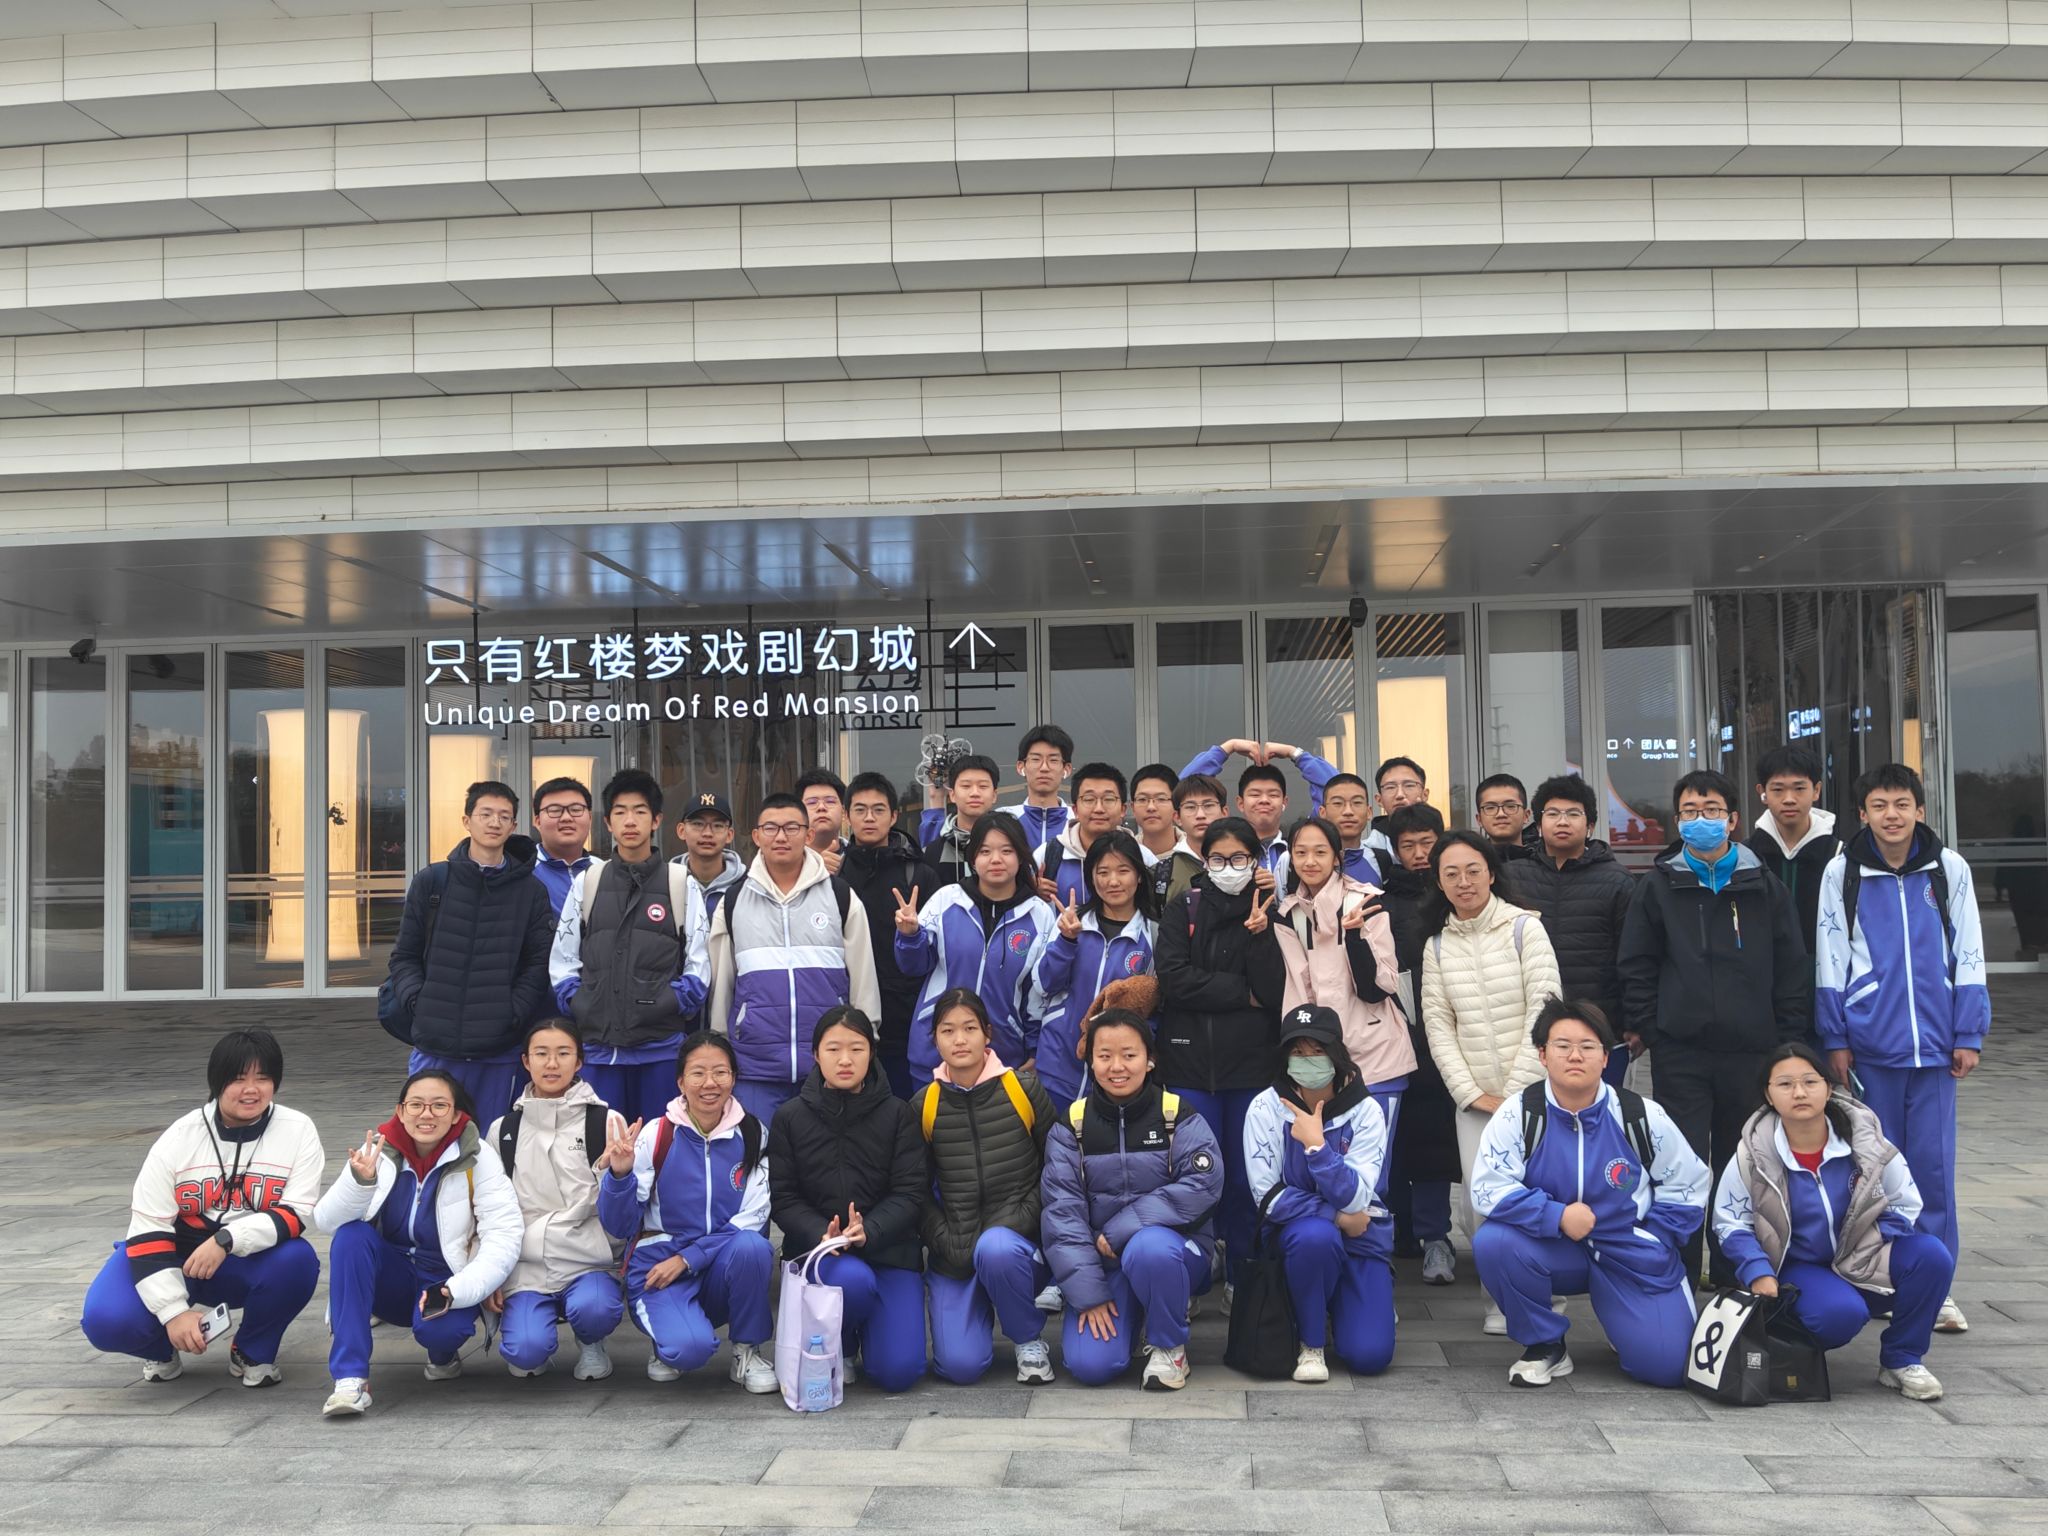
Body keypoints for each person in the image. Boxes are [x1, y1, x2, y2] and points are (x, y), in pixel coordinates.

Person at [1617, 769, 1810, 1286]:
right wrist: (1653, 1028)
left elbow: (1792, 966)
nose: (1700, 820)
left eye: (1711, 811)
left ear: (1732, 820)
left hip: (1751, 1051)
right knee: (1680, 1164)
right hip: (1681, 1051)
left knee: (1738, 1163)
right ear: (1677, 821)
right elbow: (1637, 964)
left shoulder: (1762, 885)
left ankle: (1730, 1276)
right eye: (1689, 811)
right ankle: (1677, 1277)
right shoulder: (1658, 886)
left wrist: (1787, 1039)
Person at [1815, 762, 1988, 1335]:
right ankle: (1877, 1277)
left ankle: (1936, 1288)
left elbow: (1969, 950)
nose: (1892, 815)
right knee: (1873, 1171)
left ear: (1919, 809)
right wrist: (1836, 1036)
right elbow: (1831, 956)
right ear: (1862, 813)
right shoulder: (1843, 871)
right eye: (1879, 805)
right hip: (1870, 1047)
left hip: (1936, 1048)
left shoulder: (1949, 868)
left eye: (1902, 804)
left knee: (1933, 1172)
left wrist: (1968, 1032)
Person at [1470, 999, 1711, 1388]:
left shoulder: (1639, 1115)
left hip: (1630, 1250)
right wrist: (1557, 1216)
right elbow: (1488, 1188)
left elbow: (1689, 1184)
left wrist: (1655, 1237)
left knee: (1667, 1368)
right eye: (1562, 1046)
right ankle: (1545, 1344)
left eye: (1588, 1046)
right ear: (1543, 1055)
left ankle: (1628, 1325)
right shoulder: (1520, 1113)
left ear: (1605, 1057)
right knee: (1494, 1242)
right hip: (1555, 1246)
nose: (1575, 1056)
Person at [1713, 1043, 1955, 1402]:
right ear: (1768, 1095)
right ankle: (1792, 1339)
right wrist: (1757, 1271)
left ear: (1828, 1088)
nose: (1799, 1092)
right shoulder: (1753, 1154)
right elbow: (1730, 1223)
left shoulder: (1868, 1143)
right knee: (1840, 1315)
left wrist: (1869, 1241)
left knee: (1931, 1256)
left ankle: (1902, 1358)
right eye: (1785, 1084)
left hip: (1864, 1255)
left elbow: (1905, 1203)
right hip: (1798, 1267)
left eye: (1810, 1082)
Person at [82, 1029, 323, 1388]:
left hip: (246, 1257)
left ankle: (251, 1350)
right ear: (217, 1081)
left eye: (263, 1078)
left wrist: (227, 1239)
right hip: (176, 1253)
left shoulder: (298, 1130)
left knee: (298, 1261)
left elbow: (296, 1213)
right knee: (106, 1320)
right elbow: (148, 1229)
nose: (251, 1089)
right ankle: (162, 1346)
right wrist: (173, 1312)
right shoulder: (180, 1137)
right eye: (238, 1079)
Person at [315, 1067, 523, 1417]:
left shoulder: (478, 1156)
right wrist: (358, 1183)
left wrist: (458, 1289)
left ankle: (443, 1355)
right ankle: (350, 1379)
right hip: (391, 1275)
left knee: (440, 1333)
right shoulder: (378, 1151)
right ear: (400, 1111)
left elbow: (504, 1234)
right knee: (351, 1236)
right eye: (416, 1105)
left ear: (456, 1114)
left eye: (439, 1105)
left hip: (445, 1278)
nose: (426, 1114)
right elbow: (325, 1221)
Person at [1419, 830, 1562, 1334]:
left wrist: (1518, 1092)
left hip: (1535, 1094)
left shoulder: (1526, 929)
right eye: (1451, 873)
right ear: (1439, 883)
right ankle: (1499, 1303)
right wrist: (1471, 1093)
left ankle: (1548, 1303)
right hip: (1476, 1102)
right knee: (1481, 1205)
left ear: (1492, 873)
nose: (1464, 882)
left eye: (1472, 870)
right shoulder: (1437, 946)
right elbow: (1438, 1026)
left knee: (1540, 1198)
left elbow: (1545, 1010)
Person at [1039, 1008, 1225, 1390]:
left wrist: (1124, 1227)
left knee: (1148, 1247)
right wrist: (1089, 1293)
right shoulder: (1072, 1124)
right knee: (1091, 1366)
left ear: (1149, 1059)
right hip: (1105, 1265)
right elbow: (1062, 1213)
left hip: (1174, 1253)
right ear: (1091, 1061)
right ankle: (1137, 1318)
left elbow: (1203, 1184)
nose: (1117, 1067)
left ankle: (1169, 1347)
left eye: (1129, 1055)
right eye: (1105, 1056)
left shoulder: (1175, 1114)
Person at [597, 1031, 778, 1391]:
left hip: (715, 1264)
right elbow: (619, 1225)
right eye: (698, 1073)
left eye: (720, 1072)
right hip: (660, 1268)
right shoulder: (656, 1135)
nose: (710, 1083)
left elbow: (753, 1218)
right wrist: (619, 1176)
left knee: (753, 1247)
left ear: (734, 1078)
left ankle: (747, 1350)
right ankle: (668, 1339)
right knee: (688, 1351)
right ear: (681, 1081)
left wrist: (688, 1259)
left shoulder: (752, 1133)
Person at [1154, 816, 1285, 1294]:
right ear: (1203, 861)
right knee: (1195, 1175)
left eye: (1239, 858)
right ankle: (1192, 1274)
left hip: (1252, 1067)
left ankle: (1242, 1275)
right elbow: (1173, 979)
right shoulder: (1183, 907)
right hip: (1190, 1066)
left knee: (1247, 1177)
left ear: (1256, 860)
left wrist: (1261, 935)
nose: (1229, 867)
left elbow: (1273, 991)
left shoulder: (1272, 909)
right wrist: (1239, 993)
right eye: (1218, 859)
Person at [767, 1006, 928, 1392]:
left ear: (871, 1054)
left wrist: (869, 1230)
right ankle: (842, 1345)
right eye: (833, 1049)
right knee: (853, 1280)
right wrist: (821, 1234)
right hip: (824, 1256)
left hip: (890, 1252)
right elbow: (784, 1198)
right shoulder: (790, 1117)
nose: (845, 1060)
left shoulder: (898, 1114)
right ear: (815, 1055)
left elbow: (911, 1192)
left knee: (898, 1372)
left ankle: (869, 1336)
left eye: (856, 1049)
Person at [382, 779, 557, 1123]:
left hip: (499, 1050)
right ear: (467, 821)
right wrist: (418, 1001)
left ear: (513, 826)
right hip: (435, 1045)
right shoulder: (433, 881)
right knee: (429, 1136)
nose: (494, 823)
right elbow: (404, 956)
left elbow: (537, 965)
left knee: (490, 1142)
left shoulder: (531, 891)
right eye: (485, 814)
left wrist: (513, 1012)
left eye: (503, 816)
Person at [1242, 1005, 1397, 1382]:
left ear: (1337, 1054)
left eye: (1317, 1050)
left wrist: (1317, 1148)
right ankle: (1311, 1344)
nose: (1307, 1060)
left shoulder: (1366, 1110)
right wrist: (1335, 1216)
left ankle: (1352, 1303)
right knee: (1317, 1235)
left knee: (1370, 1356)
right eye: (1297, 1052)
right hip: (1300, 1239)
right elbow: (1268, 1197)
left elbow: (1358, 1197)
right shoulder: (1264, 1107)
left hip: (1362, 1239)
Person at [707, 791, 881, 1123]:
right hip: (755, 1066)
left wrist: (866, 1041)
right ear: (756, 836)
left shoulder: (840, 896)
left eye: (792, 828)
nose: (781, 837)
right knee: (761, 1153)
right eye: (770, 828)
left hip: (829, 1066)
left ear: (809, 834)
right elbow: (721, 986)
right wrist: (720, 1047)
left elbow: (864, 977)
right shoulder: (733, 902)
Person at [549, 770, 711, 1126]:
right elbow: (563, 959)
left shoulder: (680, 883)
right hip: (599, 1051)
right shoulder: (588, 882)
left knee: (658, 1144)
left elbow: (699, 964)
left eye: (640, 811)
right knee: (601, 1147)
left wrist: (672, 1002)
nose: (630, 821)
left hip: (660, 1050)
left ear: (656, 820)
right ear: (608, 822)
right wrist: (580, 1002)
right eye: (620, 812)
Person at [920, 989, 1061, 1385]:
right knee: (960, 1367)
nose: (959, 1040)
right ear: (935, 1039)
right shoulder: (925, 1104)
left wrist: (1018, 1220)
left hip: (1016, 1247)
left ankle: (1027, 1339)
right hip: (957, 1252)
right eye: (947, 1030)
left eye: (969, 1028)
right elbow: (914, 1190)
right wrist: (945, 1238)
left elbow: (1058, 1169)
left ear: (988, 1034)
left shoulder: (1022, 1089)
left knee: (996, 1248)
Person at [485, 1018, 625, 1382]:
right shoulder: (503, 1130)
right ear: (525, 1061)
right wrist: (489, 1271)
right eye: (541, 1054)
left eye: (563, 1053)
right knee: (525, 1353)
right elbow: (488, 1208)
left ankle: (591, 1341)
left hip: (588, 1260)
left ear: (579, 1061)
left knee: (596, 1309)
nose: (552, 1063)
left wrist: (620, 1174)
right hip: (526, 1265)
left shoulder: (606, 1122)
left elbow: (623, 1210)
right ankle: (534, 1336)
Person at [1273, 816, 1413, 1167]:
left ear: (1337, 856)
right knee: (1327, 1165)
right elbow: (1298, 994)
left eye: (1320, 852)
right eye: (1300, 852)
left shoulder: (1366, 902)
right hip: (1321, 1066)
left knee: (1373, 1171)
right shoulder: (1290, 913)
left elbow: (1380, 987)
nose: (1310, 861)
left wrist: (1354, 938)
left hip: (1378, 1057)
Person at [896, 813, 1057, 1086]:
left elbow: (1038, 991)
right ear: (973, 859)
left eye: (1006, 851)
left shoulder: (1039, 914)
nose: (996, 859)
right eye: (985, 851)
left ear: (1021, 857)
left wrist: (1033, 1048)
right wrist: (910, 935)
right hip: (935, 1052)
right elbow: (913, 966)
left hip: (1002, 1057)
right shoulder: (946, 900)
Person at [1499, 774, 1640, 1087]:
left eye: (1573, 813)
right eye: (1552, 813)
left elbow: (1633, 958)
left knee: (1598, 1110)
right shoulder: (1511, 878)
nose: (1562, 821)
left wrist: (1635, 1021)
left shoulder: (1618, 881)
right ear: (1538, 824)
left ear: (1590, 825)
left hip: (1600, 1027)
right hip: (1526, 1030)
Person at [1377, 804, 1460, 1284]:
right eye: (1407, 845)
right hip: (1392, 1032)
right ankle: (1398, 1230)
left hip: (1445, 1034)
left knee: (1433, 1142)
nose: (1418, 853)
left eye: (1426, 842)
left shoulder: (1454, 896)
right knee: (1392, 1138)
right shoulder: (1381, 900)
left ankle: (1436, 1238)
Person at [1030, 830, 1160, 1106]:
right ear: (1091, 877)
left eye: (1123, 871)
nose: (1113, 881)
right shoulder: (1071, 922)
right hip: (1058, 1064)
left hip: (1118, 1075)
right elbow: (1043, 985)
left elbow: (1156, 1006)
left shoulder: (1154, 933)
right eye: (1102, 872)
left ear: (1139, 875)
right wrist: (1066, 942)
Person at [842, 771, 939, 1097]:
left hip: (905, 1019)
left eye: (879, 809)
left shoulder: (919, 874)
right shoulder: (834, 876)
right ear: (847, 816)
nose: (869, 818)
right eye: (860, 809)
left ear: (894, 816)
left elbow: (938, 951)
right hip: (848, 1017)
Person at [1748, 745, 1841, 957]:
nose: (1789, 799)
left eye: (1799, 788)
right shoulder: (1745, 856)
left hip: (1824, 971)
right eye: (1778, 790)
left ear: (1816, 790)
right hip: (1762, 973)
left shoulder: (1839, 855)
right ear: (1762, 792)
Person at [1038, 761, 1129, 907]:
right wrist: (1032, 893)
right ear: (1075, 810)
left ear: (1123, 809)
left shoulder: (1141, 856)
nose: (1099, 809)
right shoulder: (1048, 854)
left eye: (1109, 799)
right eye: (1089, 799)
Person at [925, 752, 1001, 890]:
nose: (975, 793)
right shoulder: (935, 851)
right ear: (952, 795)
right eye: (966, 786)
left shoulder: (1009, 844)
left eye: (983, 786)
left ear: (994, 795)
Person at [1131, 763, 1201, 906]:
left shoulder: (1196, 855)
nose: (1151, 807)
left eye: (1161, 799)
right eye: (1142, 799)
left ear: (1176, 805)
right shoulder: (1124, 854)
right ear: (1132, 807)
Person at [673, 788, 746, 915]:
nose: (707, 833)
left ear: (729, 835)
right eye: (698, 824)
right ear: (681, 831)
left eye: (717, 825)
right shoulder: (667, 883)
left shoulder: (747, 886)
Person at [1010, 724, 1075, 863]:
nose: (1044, 768)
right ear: (1021, 766)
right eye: (1035, 759)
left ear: (1067, 769)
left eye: (1053, 760)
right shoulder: (1006, 819)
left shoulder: (1078, 821)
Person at [531, 776, 594, 917]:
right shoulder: (523, 872)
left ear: (590, 818)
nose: (566, 818)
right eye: (554, 810)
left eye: (576, 809)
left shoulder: (603, 871)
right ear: (537, 821)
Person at [1364, 756, 1432, 869]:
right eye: (1390, 787)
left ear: (1425, 795)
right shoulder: (1368, 852)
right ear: (1379, 800)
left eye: (1409, 785)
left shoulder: (1445, 847)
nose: (1400, 795)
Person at [1321, 772, 1384, 885]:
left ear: (1369, 812)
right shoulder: (1306, 860)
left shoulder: (1382, 861)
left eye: (1357, 802)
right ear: (1322, 813)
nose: (1348, 811)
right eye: (1338, 803)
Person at [795, 767, 849, 874]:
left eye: (830, 801)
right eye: (812, 802)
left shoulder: (860, 859)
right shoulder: (784, 862)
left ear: (843, 813)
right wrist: (815, 870)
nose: (821, 807)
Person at [1475, 773, 1535, 861]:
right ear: (1479, 819)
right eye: (1490, 807)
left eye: (1510, 806)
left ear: (1526, 816)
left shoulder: (1547, 863)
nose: (1501, 814)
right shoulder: (1470, 864)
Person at [1171, 772, 1228, 854]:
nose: (1200, 815)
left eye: (1208, 805)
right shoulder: (1170, 862)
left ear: (1224, 812)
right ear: (1177, 818)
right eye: (1190, 807)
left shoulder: (1244, 858)